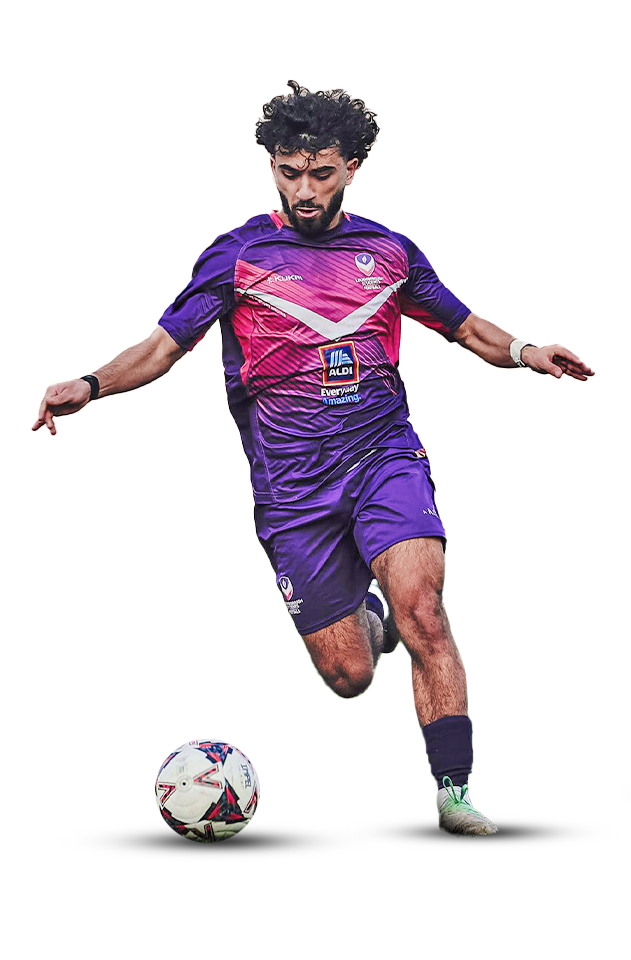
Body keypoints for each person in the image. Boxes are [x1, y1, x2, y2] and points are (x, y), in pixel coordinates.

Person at [31, 79, 595, 836]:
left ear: (351, 168)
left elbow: (464, 327)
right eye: (289, 172)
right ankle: (371, 615)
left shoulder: (387, 251)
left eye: (321, 173)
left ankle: (454, 791)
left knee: (425, 611)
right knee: (348, 675)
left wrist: (527, 350)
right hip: (292, 490)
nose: (303, 190)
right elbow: (163, 347)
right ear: (271, 164)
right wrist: (91, 384)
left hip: (383, 456)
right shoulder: (238, 256)